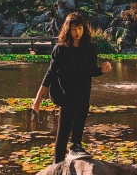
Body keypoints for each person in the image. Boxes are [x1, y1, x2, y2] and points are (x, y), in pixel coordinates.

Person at [32, 13, 112, 163]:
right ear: (67, 30)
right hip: (62, 91)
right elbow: (50, 74)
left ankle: (58, 165)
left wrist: (102, 69)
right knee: (82, 106)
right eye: (74, 29)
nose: (77, 32)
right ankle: (75, 146)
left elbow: (92, 71)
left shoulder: (89, 48)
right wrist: (38, 98)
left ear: (84, 29)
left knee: (63, 131)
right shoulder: (61, 49)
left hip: (80, 92)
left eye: (80, 28)